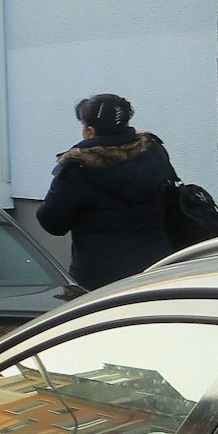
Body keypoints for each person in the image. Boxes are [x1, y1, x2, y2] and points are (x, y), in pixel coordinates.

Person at [35, 93, 175, 290]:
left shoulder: (78, 166)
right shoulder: (152, 150)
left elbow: (52, 222)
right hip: (157, 268)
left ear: (90, 131)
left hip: (101, 278)